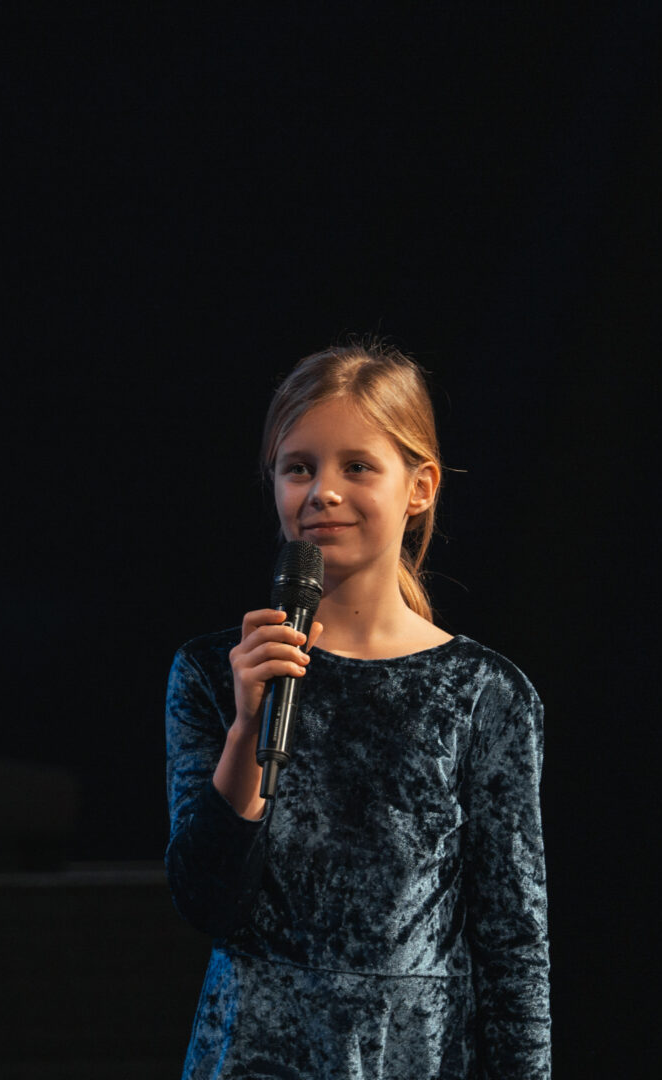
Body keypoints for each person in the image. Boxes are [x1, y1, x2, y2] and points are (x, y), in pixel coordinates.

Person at [164, 343, 550, 1078]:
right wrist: (247, 729)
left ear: (420, 487)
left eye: (358, 467)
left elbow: (514, 949)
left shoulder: (483, 693)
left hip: (410, 1055)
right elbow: (204, 903)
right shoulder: (216, 672)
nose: (323, 492)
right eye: (298, 468)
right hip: (252, 1053)